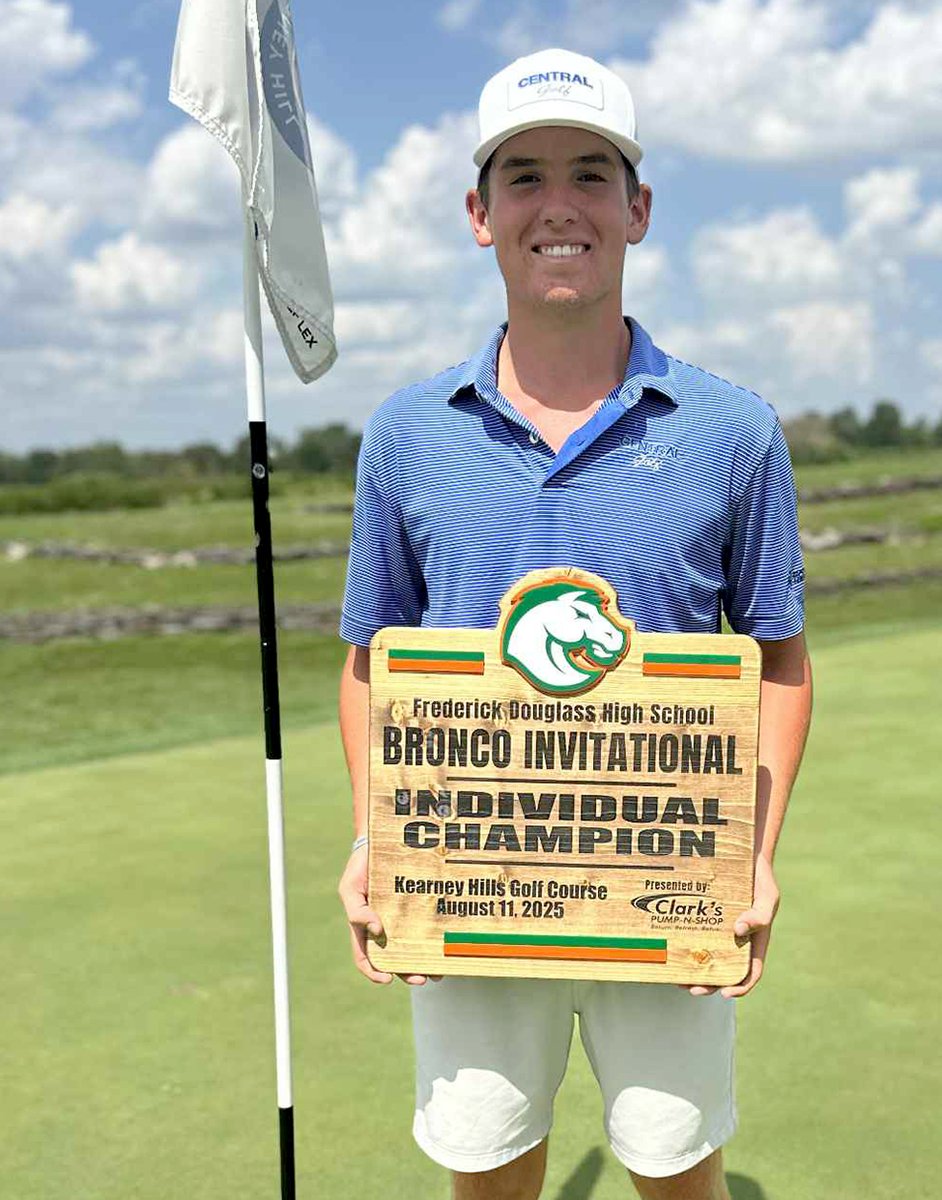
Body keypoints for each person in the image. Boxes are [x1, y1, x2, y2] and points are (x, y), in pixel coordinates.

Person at [337, 47, 813, 1200]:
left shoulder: (733, 430)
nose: (560, 205)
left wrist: (753, 856)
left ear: (638, 210)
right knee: (490, 1175)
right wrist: (373, 836)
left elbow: (779, 657)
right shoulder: (406, 433)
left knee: (675, 1173)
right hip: (469, 875)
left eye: (592, 175)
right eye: (526, 176)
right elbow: (371, 661)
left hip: (670, 877)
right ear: (480, 214)